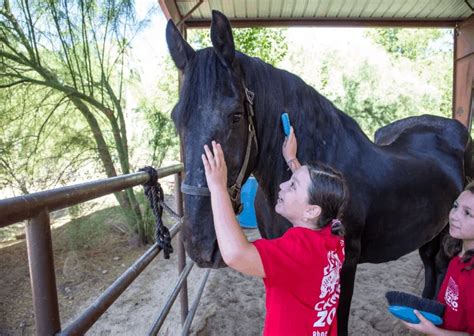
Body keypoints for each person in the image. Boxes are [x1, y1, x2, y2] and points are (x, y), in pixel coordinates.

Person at [201, 127, 348, 335]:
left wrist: (218, 187)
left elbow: (236, 254)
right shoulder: (332, 234)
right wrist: (291, 160)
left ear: (311, 211)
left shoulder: (301, 249)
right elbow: (314, 196)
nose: (282, 185)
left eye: (293, 186)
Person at [402, 182, 474, 336]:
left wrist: (434, 332)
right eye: (455, 206)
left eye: (467, 213)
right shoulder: (456, 258)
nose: (454, 216)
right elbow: (445, 305)